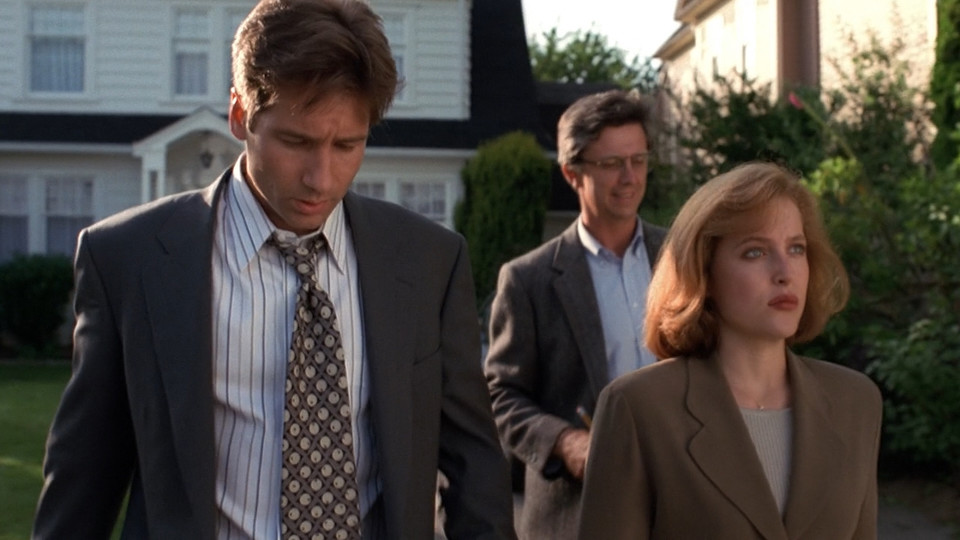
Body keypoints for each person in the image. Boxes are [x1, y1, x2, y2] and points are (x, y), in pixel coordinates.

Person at [32, 1, 515, 538]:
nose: (321, 178)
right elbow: (83, 482)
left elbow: (475, 467)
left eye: (347, 145)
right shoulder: (130, 259)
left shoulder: (427, 261)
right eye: (296, 141)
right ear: (240, 114)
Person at [578, 162, 882, 539]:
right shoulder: (638, 408)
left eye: (796, 248)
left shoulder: (856, 402)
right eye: (755, 252)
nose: (785, 271)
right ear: (704, 273)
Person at [483, 89, 666, 539]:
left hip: (676, 505)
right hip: (577, 513)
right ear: (572, 173)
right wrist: (564, 441)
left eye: (638, 160)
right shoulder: (528, 280)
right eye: (612, 163)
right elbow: (501, 396)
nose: (629, 177)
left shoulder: (681, 258)